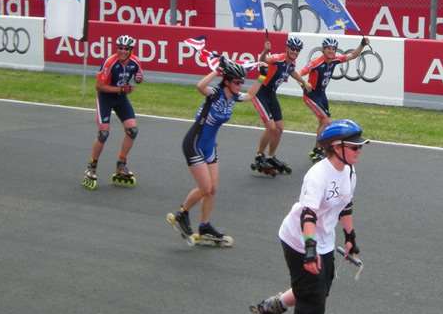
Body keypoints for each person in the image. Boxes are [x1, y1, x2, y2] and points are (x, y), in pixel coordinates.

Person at [250, 119, 369, 314]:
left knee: (316, 288)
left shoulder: (349, 172)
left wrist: (350, 236)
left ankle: (270, 308)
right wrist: (309, 250)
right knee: (313, 296)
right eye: (353, 146)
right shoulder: (318, 175)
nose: (359, 150)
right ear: (335, 147)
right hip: (298, 239)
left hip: (323, 239)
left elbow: (345, 206)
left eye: (360, 146)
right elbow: (308, 214)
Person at [165, 57, 262, 246]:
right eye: (236, 81)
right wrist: (216, 72)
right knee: (205, 188)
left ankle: (204, 226)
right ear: (226, 80)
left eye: (242, 81)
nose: (240, 85)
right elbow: (200, 86)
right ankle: (181, 214)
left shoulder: (234, 96)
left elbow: (250, 95)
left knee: (213, 190)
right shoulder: (215, 93)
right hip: (194, 143)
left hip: (210, 147)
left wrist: (263, 76)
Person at [82, 35, 144, 190]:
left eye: (126, 49)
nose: (122, 51)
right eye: (120, 48)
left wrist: (138, 79)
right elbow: (99, 86)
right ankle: (92, 166)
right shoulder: (110, 62)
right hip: (105, 97)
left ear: (131, 50)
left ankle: (121, 164)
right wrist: (121, 89)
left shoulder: (135, 62)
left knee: (132, 130)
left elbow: (138, 77)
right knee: (104, 133)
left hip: (120, 98)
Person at [298, 36, 368, 162]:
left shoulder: (335, 59)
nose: (331, 51)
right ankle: (318, 150)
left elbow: (352, 55)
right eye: (328, 49)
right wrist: (303, 83)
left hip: (322, 95)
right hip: (311, 95)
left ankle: (316, 150)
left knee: (322, 122)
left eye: (333, 49)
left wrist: (362, 44)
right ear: (323, 50)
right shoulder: (316, 62)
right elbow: (299, 73)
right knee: (326, 121)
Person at [250, 36, 311, 175]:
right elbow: (262, 61)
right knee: (271, 127)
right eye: (292, 48)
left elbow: (292, 72)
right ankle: (259, 155)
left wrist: (303, 82)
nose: (295, 51)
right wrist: (265, 51)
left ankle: (270, 157)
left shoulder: (291, 63)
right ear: (287, 48)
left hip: (271, 94)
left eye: (297, 50)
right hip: (261, 92)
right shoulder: (278, 58)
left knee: (279, 128)